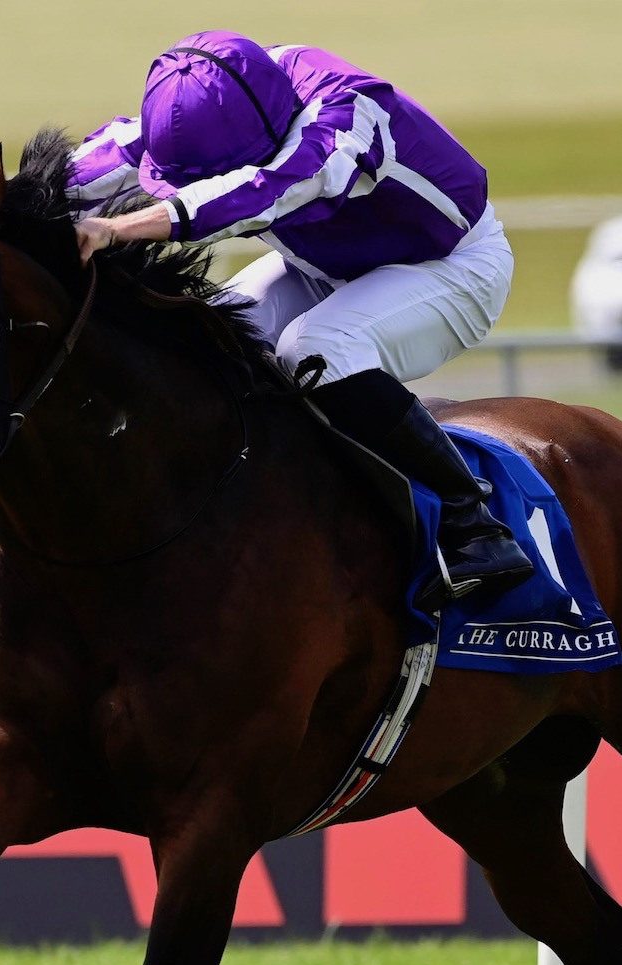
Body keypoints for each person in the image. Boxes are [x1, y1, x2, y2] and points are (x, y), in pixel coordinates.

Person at [66, 30, 532, 605]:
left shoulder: (346, 112)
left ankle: (474, 525)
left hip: (452, 266)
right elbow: (110, 157)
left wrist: (117, 228)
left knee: (314, 350)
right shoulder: (219, 100)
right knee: (204, 340)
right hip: (320, 266)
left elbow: (262, 193)